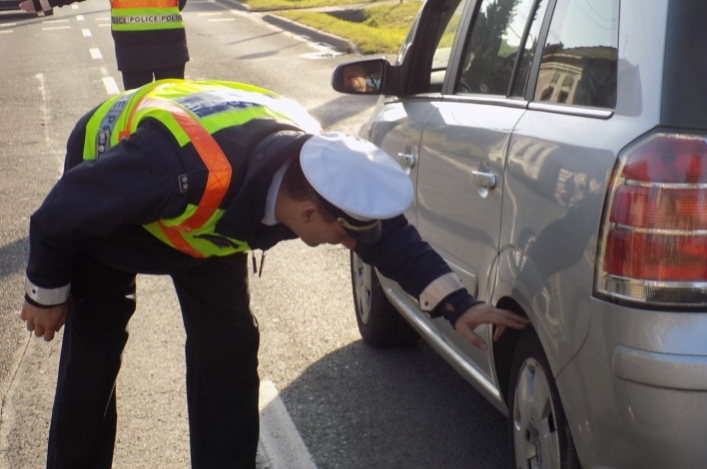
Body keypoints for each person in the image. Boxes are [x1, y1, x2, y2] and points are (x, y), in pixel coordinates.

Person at [19, 79, 530, 468]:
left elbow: (387, 236)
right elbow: (60, 212)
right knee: (95, 346)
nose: (349, 245)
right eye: (343, 236)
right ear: (307, 214)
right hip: (112, 193)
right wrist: (46, 293)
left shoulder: (317, 168)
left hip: (206, 220)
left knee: (229, 345)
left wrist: (457, 304)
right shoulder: (179, 168)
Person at [20, 0, 189, 90]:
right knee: (173, 109)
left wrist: (42, 3)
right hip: (171, 44)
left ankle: (144, 154)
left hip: (132, 49)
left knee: (138, 113)